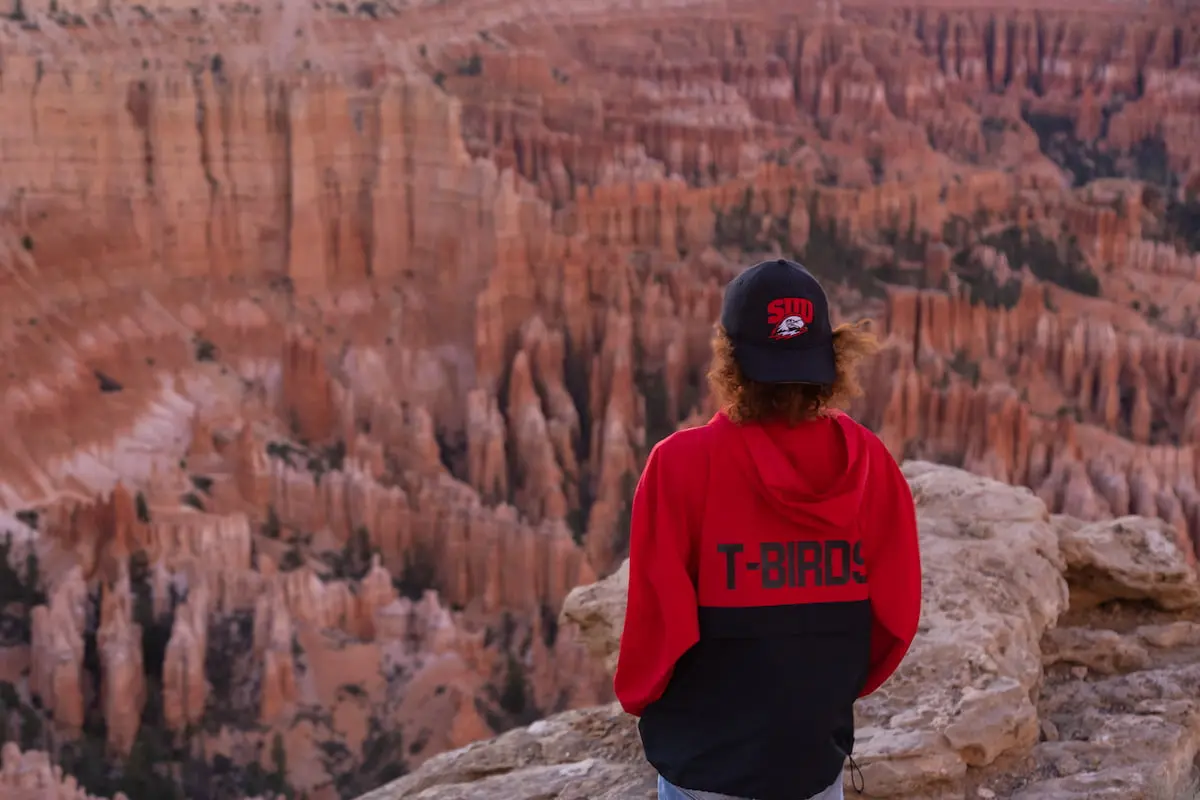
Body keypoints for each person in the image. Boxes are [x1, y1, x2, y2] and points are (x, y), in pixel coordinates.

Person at [613, 258, 923, 800]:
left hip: (705, 766)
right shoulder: (870, 462)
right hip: (811, 767)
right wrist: (817, 696)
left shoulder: (681, 465)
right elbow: (896, 618)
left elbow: (656, 631)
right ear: (831, 357)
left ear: (731, 360)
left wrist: (658, 710)